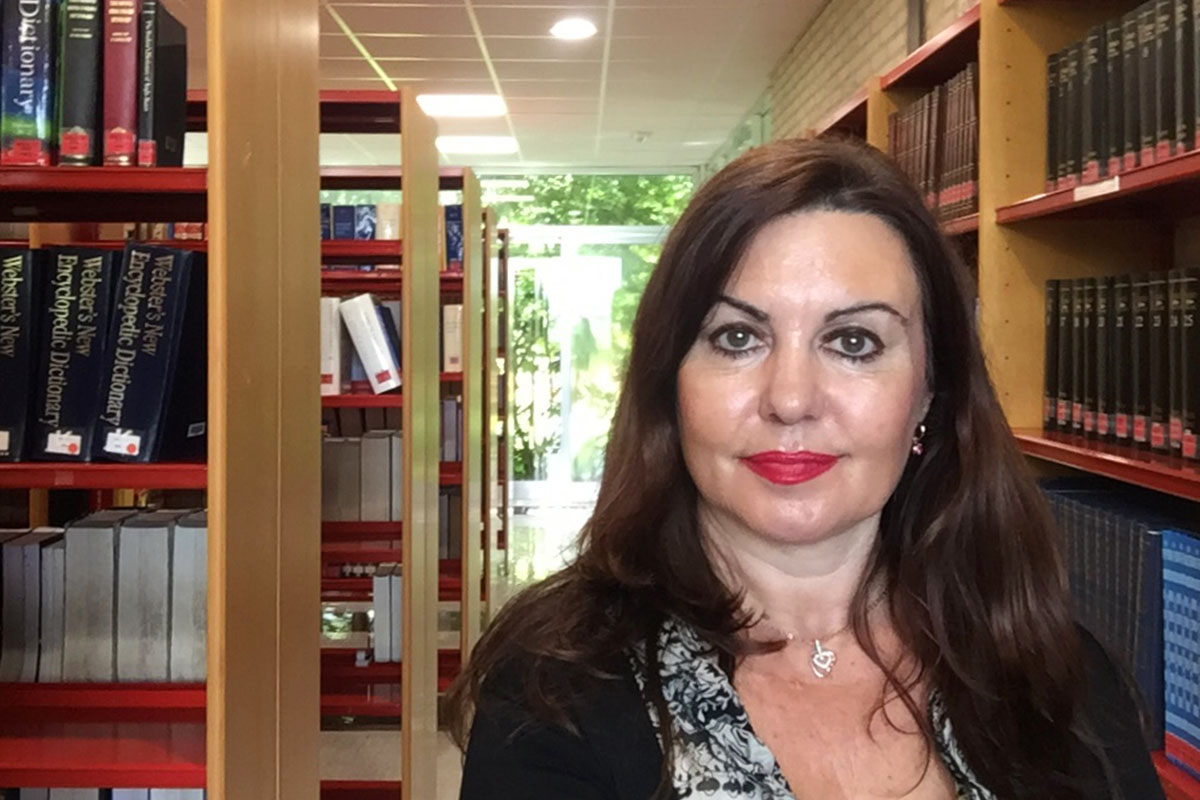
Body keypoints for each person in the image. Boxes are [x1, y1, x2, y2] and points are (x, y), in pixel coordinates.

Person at [447, 138, 1163, 800]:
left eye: (853, 342)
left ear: (929, 394)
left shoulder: (1059, 679)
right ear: (671, 384)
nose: (790, 400)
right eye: (737, 337)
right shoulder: (554, 696)